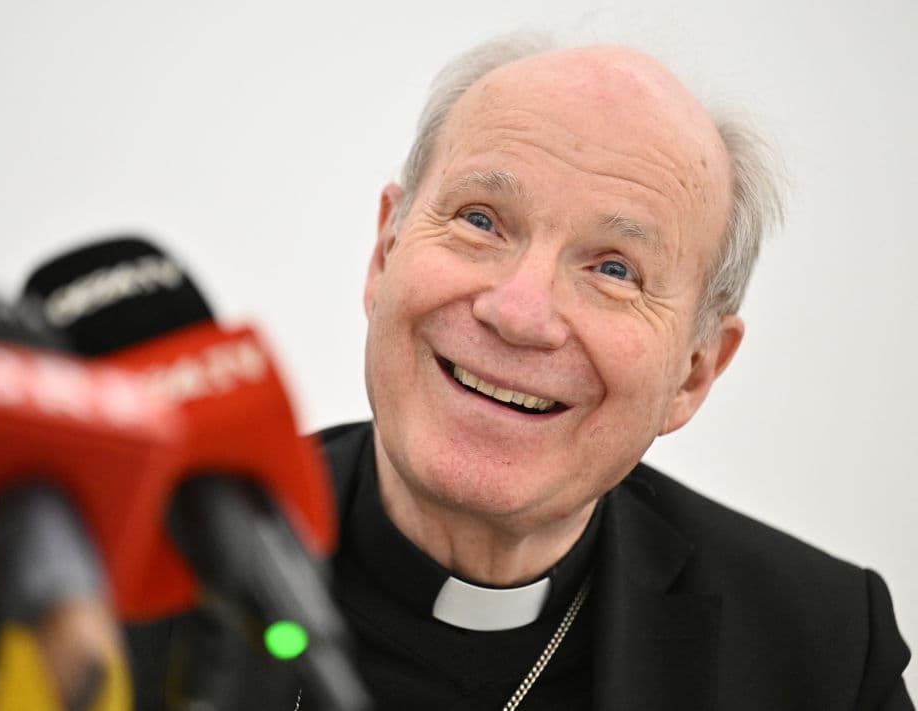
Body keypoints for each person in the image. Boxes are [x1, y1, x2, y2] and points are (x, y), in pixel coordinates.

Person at [128, 33, 912, 710]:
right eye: (480, 220)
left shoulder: (820, 655)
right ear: (384, 252)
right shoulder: (117, 577)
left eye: (614, 267)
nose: (519, 312)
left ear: (694, 372)